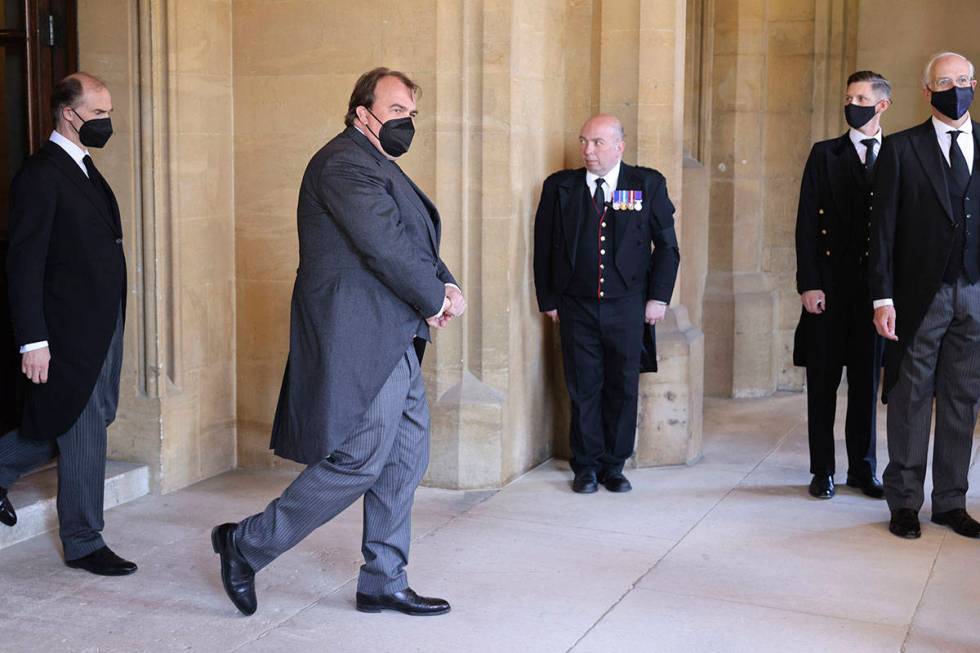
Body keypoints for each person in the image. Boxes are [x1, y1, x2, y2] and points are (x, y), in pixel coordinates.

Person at [211, 67, 463, 616]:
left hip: (392, 330)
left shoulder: (377, 163)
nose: (407, 123)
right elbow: (383, 246)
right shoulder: (343, 162)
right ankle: (246, 544)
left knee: (405, 457)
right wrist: (434, 297)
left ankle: (383, 579)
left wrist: (444, 285)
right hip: (360, 333)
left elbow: (410, 238)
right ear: (362, 113)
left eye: (412, 114)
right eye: (397, 111)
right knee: (360, 459)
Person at [0, 73, 134, 575]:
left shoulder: (81, 167)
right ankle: (83, 540)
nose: (106, 122)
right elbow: (24, 265)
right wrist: (33, 341)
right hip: (67, 332)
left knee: (86, 418)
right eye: (98, 114)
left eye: (109, 113)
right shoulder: (41, 174)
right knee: (81, 427)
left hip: (101, 325)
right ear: (68, 113)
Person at [532, 114, 679, 494]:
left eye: (597, 143)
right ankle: (586, 467)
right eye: (583, 141)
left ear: (619, 146)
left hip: (628, 307)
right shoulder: (559, 187)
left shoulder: (646, 184)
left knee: (622, 386)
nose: (588, 150)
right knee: (583, 386)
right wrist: (548, 299)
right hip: (576, 306)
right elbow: (543, 247)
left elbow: (667, 247)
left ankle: (614, 465)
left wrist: (658, 298)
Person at [871, 51, 980, 540]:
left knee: (962, 398)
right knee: (911, 396)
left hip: (975, 293)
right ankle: (905, 502)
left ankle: (951, 501)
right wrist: (882, 298)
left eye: (963, 80)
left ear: (974, 84)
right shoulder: (900, 148)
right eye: (945, 81)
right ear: (927, 90)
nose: (955, 88)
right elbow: (883, 234)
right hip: (920, 295)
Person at [793, 71, 891, 500]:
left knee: (867, 386)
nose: (853, 104)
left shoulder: (898, 154)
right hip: (828, 290)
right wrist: (809, 283)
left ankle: (863, 469)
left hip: (874, 293)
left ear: (882, 105)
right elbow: (805, 227)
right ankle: (822, 470)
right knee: (823, 383)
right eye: (849, 96)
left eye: (862, 97)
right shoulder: (824, 154)